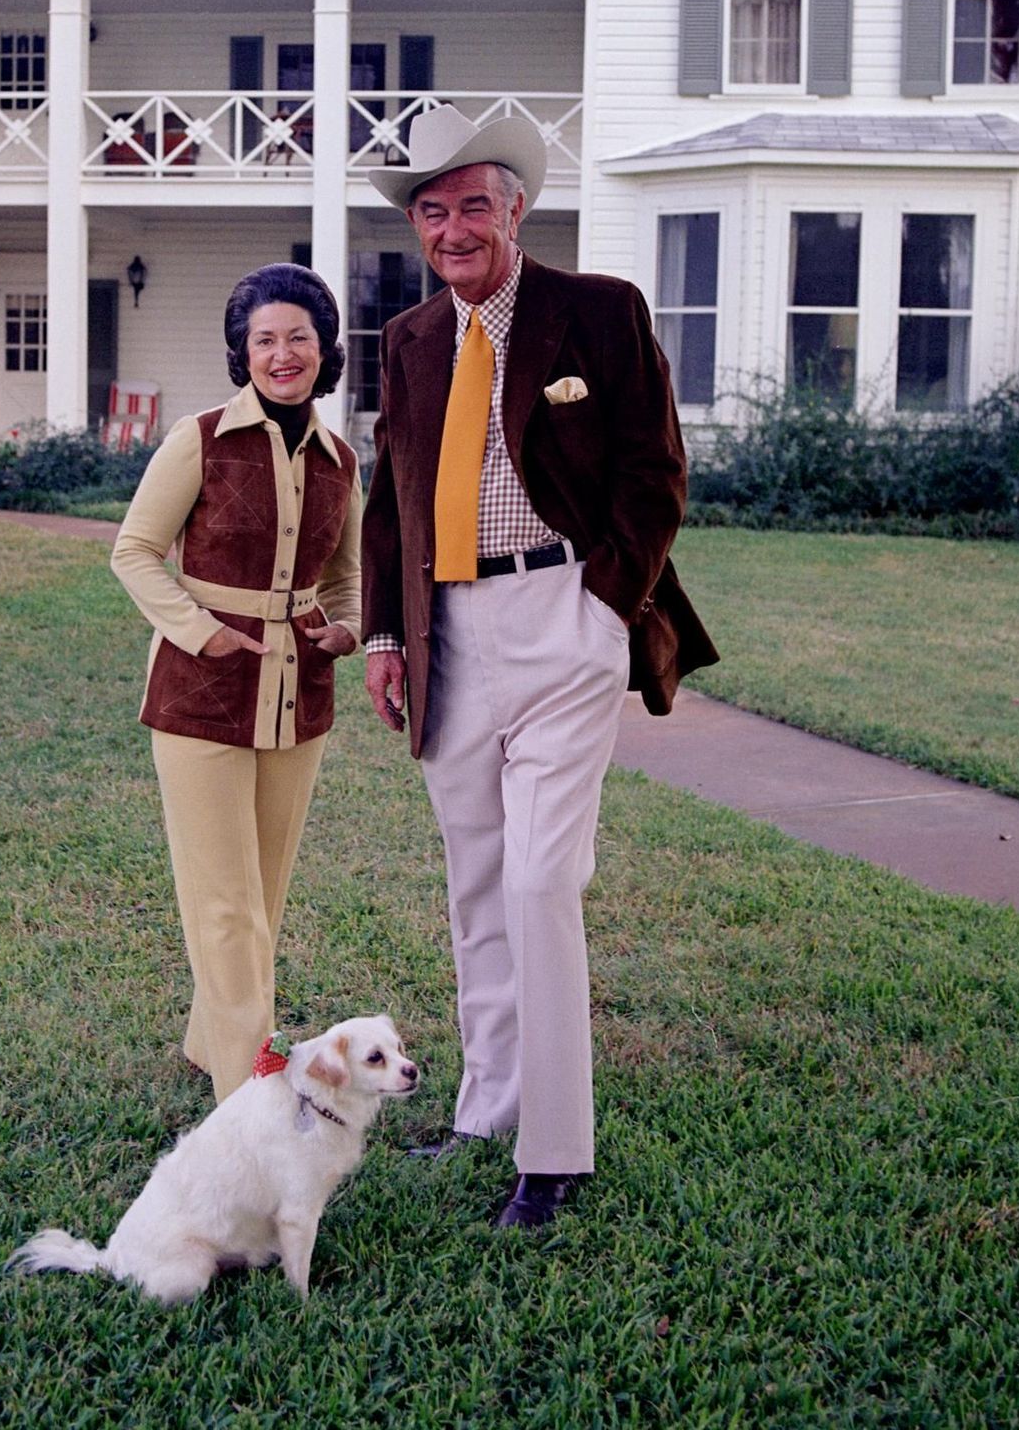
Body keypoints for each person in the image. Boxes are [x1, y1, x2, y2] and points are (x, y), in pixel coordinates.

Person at [361, 105, 716, 1229]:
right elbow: (392, 495)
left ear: (516, 210)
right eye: (433, 210)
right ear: (417, 229)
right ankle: (486, 1106)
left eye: (474, 204)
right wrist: (383, 633)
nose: (454, 226)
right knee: (475, 881)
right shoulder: (412, 337)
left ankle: (555, 1154)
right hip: (447, 631)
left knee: (538, 879)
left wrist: (603, 606)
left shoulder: (596, 311)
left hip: (562, 612)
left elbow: (654, 468)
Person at [112, 263, 363, 1102]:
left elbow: (347, 576)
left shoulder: (339, 460)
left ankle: (204, 1038)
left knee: (263, 890)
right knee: (224, 907)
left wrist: (348, 627)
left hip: (301, 699)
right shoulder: (202, 438)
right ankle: (245, 1094)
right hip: (200, 695)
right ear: (241, 351)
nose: (281, 353)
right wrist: (200, 631)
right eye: (264, 339)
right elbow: (134, 552)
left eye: (298, 337)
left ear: (324, 349)